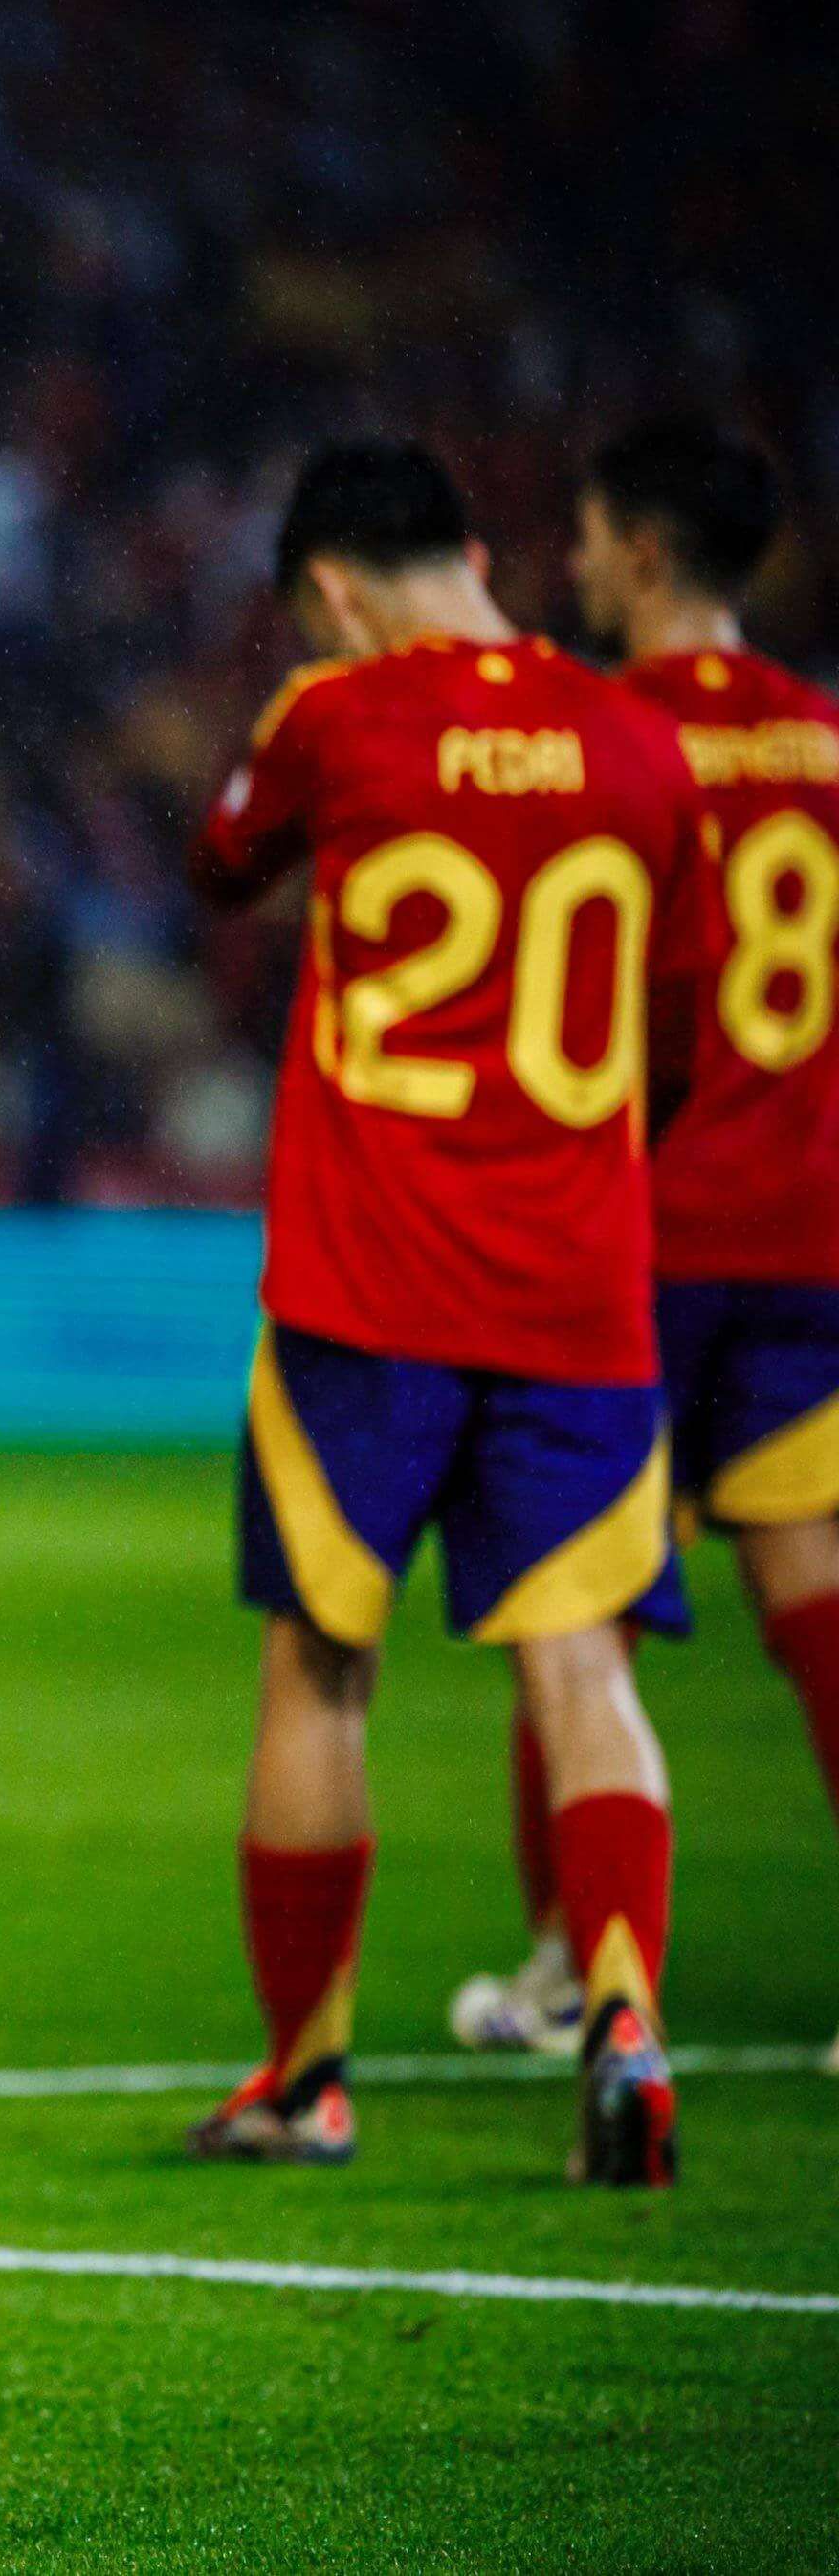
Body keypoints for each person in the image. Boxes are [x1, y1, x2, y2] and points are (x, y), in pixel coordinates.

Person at [184, 439, 709, 2186]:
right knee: (582, 1663)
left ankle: (306, 2075)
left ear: (332, 589)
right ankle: (623, 2017)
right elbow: (680, 1038)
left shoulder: (336, 719)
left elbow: (220, 860)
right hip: (577, 1289)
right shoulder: (639, 739)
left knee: (321, 1665)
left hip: (369, 1285)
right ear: (479, 553)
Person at [453, 415, 839, 2075]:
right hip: (809, 1226)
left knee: (572, 1602)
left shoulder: (605, 739)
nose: (578, 563)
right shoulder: (826, 740)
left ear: (648, 552)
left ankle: (572, 1959)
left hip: (639, 1228)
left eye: (595, 536)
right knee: (811, 1584)